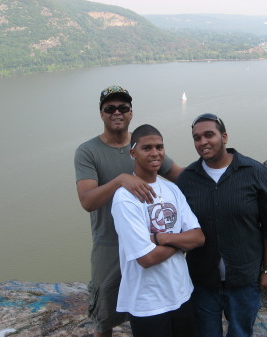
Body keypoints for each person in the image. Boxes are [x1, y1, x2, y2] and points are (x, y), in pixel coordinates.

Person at [74, 85, 183, 337]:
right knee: (105, 316)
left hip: (149, 242)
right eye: (109, 108)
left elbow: (181, 176)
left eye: (123, 107)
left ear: (131, 113)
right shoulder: (88, 152)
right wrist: (121, 179)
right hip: (109, 243)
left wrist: (216, 173)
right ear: (101, 114)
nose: (117, 112)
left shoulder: (144, 144)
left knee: (150, 308)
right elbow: (87, 201)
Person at [177, 113, 267, 337]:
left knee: (241, 333)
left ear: (224, 136)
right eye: (197, 138)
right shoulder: (187, 179)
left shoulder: (255, 173)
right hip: (202, 280)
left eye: (209, 135)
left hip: (244, 279)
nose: (203, 142)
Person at [111, 124, 205, 337]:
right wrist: (181, 242)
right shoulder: (124, 198)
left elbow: (198, 237)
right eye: (147, 148)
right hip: (148, 304)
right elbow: (146, 258)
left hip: (183, 294)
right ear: (133, 152)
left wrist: (161, 238)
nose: (155, 153)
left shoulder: (173, 189)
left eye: (159, 147)